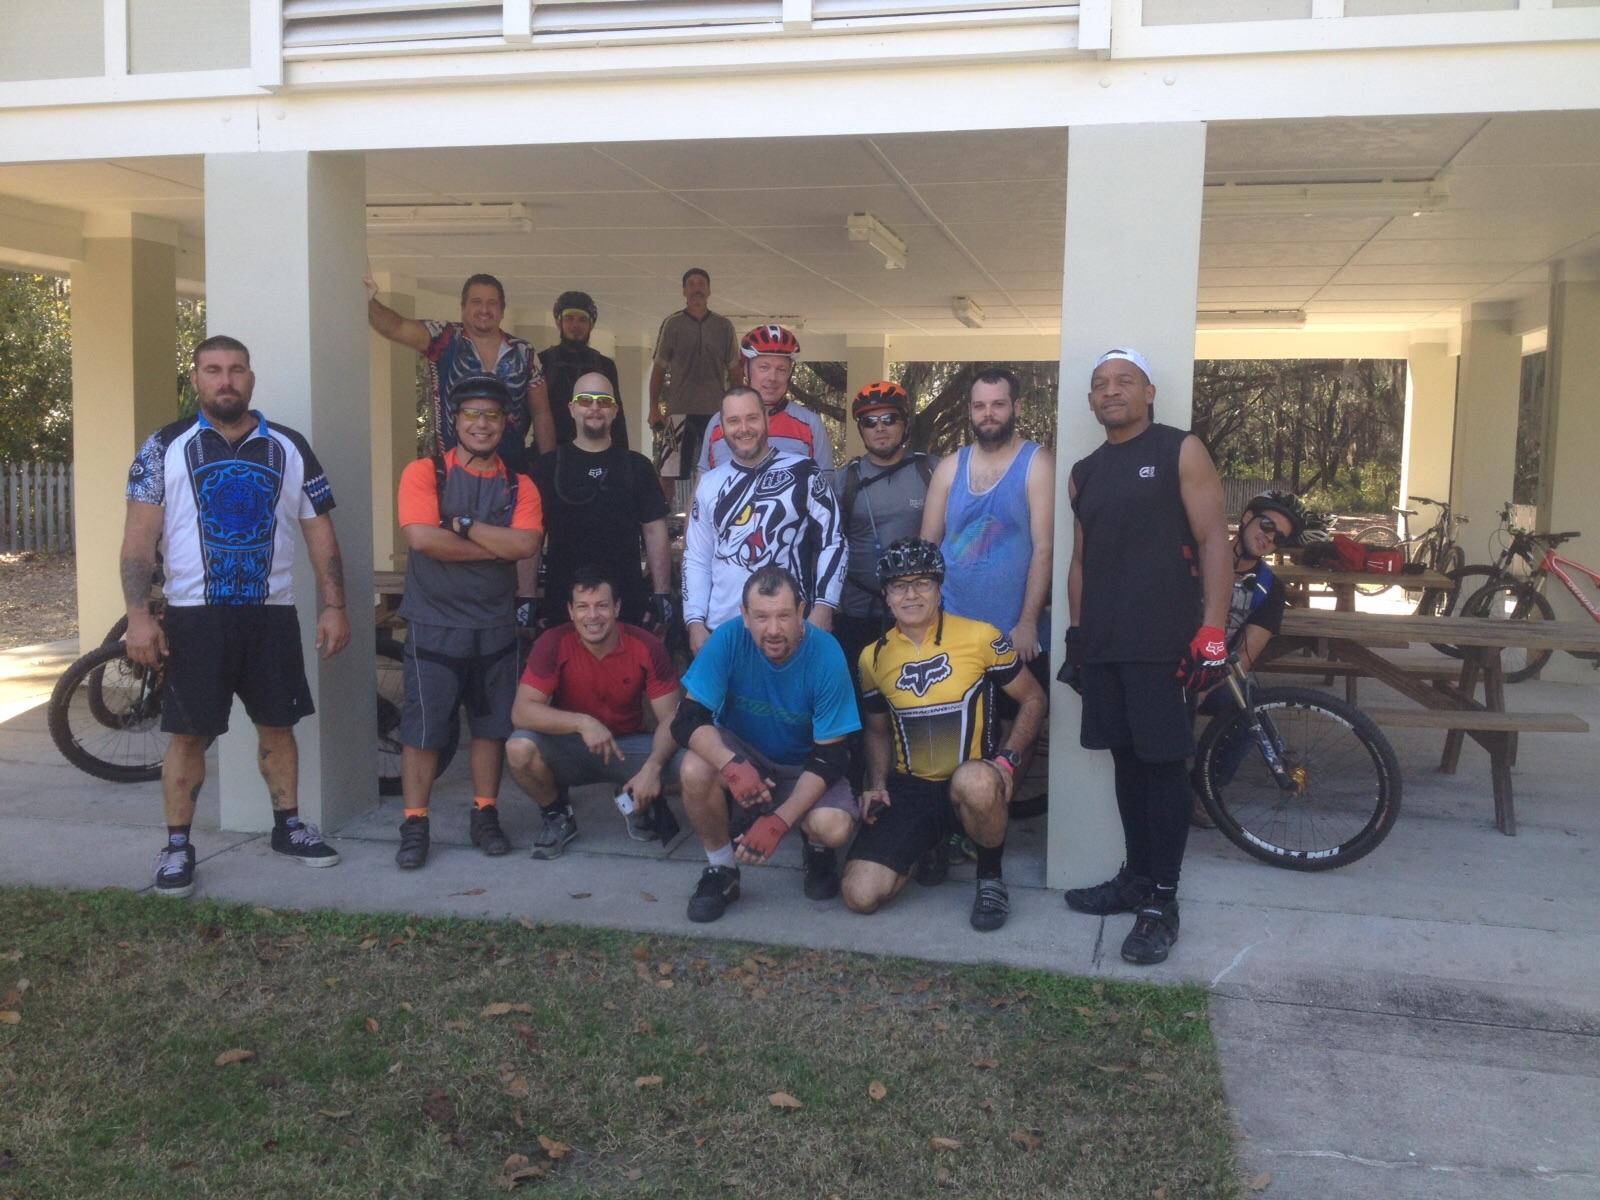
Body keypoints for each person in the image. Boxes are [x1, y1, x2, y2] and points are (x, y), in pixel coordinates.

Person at [122, 335, 350, 898]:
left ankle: (288, 827)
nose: (225, 380)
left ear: (251, 378)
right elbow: (139, 540)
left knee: (279, 726)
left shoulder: (290, 446)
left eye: (236, 369)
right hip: (195, 617)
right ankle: (177, 847)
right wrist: (138, 616)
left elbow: (320, 533)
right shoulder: (163, 446)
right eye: (213, 369)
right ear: (196, 379)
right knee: (188, 735)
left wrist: (334, 605)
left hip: (270, 615)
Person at [1058, 347, 1232, 966]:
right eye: (1100, 383)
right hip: (1105, 643)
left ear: (1149, 392)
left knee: (1162, 768)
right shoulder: (1083, 471)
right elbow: (1080, 561)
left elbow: (1215, 541)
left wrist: (1213, 632)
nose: (1111, 391)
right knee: (1126, 763)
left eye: (1124, 381)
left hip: (1165, 645)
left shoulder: (1181, 450)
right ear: (1090, 400)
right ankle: (1135, 877)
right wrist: (1077, 635)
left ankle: (1163, 900)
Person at [843, 540, 1045, 931]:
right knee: (859, 895)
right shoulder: (872, 657)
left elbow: (1034, 699)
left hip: (969, 781)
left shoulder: (981, 637)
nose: (911, 594)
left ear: (939, 588)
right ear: (886, 596)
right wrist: (878, 784)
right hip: (912, 789)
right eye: (899, 585)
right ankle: (926, 846)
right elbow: (877, 731)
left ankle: (990, 878)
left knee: (976, 781)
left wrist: (1007, 761)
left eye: (922, 582)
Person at [392, 375, 544, 870]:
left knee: (490, 728)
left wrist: (461, 527)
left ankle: (485, 814)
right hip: (433, 623)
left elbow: (526, 545)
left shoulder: (520, 484)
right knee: (423, 730)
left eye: (492, 415)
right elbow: (422, 540)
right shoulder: (424, 473)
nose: (482, 424)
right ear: (454, 421)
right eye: (472, 414)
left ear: (506, 423)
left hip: (495, 625)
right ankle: (415, 823)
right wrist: (494, 547)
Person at [669, 566, 861, 922]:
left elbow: (831, 755)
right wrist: (731, 765)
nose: (773, 629)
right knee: (694, 767)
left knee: (833, 827)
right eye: (761, 617)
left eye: (783, 616)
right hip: (745, 756)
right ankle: (722, 869)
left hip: (805, 765)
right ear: (744, 615)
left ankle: (816, 849)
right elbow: (687, 720)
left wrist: (779, 822)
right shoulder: (728, 639)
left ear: (801, 612)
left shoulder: (826, 653)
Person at [365, 271, 554, 625]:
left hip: (510, 467)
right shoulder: (444, 338)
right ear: (463, 306)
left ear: (502, 309)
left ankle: (525, 604)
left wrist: (548, 463)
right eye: (476, 302)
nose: (484, 309)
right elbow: (396, 326)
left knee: (521, 538)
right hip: (453, 468)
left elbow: (542, 412)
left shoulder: (525, 352)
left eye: (492, 303)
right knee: (453, 542)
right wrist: (368, 300)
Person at [921, 367, 1054, 796]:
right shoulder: (950, 467)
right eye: (980, 405)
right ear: (970, 411)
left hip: (1013, 631)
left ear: (1016, 407)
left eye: (998, 404)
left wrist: (1028, 621)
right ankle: (960, 814)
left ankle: (998, 813)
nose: (988, 413)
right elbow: (927, 549)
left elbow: (1045, 548)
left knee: (1017, 728)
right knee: (956, 725)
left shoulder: (1037, 463)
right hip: (953, 627)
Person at [507, 565, 684, 859]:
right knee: (518, 748)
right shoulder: (552, 643)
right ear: (570, 610)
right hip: (571, 745)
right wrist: (582, 723)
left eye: (602, 605)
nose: (592, 616)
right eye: (583, 607)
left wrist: (652, 768)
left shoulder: (647, 645)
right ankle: (557, 814)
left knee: (690, 762)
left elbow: (672, 719)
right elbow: (521, 712)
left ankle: (633, 795)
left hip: (627, 746)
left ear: (617, 608)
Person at [681, 387, 845, 652]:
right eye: (734, 421)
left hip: (787, 629)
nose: (743, 428)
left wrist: (824, 607)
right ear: (722, 427)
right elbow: (697, 557)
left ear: (766, 419)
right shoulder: (709, 484)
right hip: (722, 630)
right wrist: (695, 621)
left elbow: (833, 539)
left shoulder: (803, 471)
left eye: (752, 418)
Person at [530, 370, 673, 630]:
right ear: (572, 408)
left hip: (626, 608)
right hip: (563, 609)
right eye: (586, 400)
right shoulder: (547, 468)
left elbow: (655, 532)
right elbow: (531, 537)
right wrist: (526, 597)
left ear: (615, 411)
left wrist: (661, 593)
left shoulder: (637, 466)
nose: (595, 407)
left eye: (604, 401)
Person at [1189, 489, 1298, 826]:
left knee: (1252, 709)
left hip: (1210, 675)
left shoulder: (1269, 588)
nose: (1269, 538)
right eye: (1267, 525)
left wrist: (1203, 689)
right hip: (1164, 664)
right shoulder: (1196, 555)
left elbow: (1246, 654)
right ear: (1247, 517)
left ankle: (1204, 791)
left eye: (1279, 538)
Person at [831, 381, 935, 681]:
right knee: (861, 697)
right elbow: (826, 545)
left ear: (905, 424)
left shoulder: (931, 471)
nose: (880, 428)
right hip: (858, 613)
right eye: (869, 421)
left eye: (889, 419)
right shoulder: (844, 480)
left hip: (918, 612)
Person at [648, 268, 740, 502]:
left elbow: (735, 370)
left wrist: (737, 408)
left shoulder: (723, 326)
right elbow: (659, 368)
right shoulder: (672, 324)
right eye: (691, 284)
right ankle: (663, 517)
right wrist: (653, 407)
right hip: (678, 412)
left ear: (709, 290)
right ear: (684, 291)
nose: (696, 288)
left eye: (701, 284)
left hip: (716, 412)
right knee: (668, 470)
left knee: (722, 466)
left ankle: (721, 511)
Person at [697, 326, 833, 478]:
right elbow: (702, 485)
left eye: (781, 369)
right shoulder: (718, 422)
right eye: (764, 367)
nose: (772, 378)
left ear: (789, 373)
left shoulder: (810, 424)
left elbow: (826, 485)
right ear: (746, 369)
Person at [539, 289, 629, 451]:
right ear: (558, 322)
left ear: (591, 325)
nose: (575, 325)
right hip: (552, 454)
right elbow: (529, 414)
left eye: (582, 320)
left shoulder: (605, 365)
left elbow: (617, 419)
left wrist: (623, 459)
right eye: (569, 318)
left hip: (596, 454)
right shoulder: (542, 362)